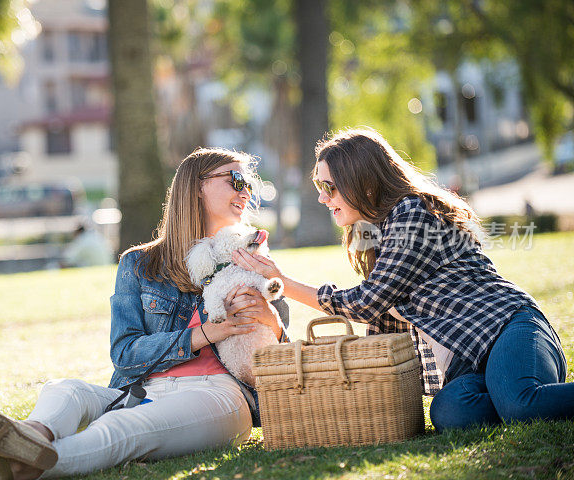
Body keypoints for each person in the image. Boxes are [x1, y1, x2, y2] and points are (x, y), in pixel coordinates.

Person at [0, 148, 289, 480]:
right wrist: (203, 333)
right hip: (143, 388)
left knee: (125, 428)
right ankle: (30, 436)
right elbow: (125, 353)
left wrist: (272, 319)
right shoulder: (141, 264)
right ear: (196, 188)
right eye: (235, 180)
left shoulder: (255, 258)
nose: (245, 189)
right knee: (65, 389)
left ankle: (18, 467)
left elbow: (282, 358)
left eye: (248, 181)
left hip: (219, 396)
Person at [233, 127, 573, 432]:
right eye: (321, 187)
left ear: (363, 182)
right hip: (468, 360)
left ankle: (523, 388)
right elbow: (382, 326)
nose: (323, 197)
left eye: (329, 187)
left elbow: (368, 302)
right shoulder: (373, 235)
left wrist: (282, 281)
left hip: (507, 327)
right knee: (451, 415)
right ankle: (515, 386)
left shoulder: (411, 212)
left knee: (522, 405)